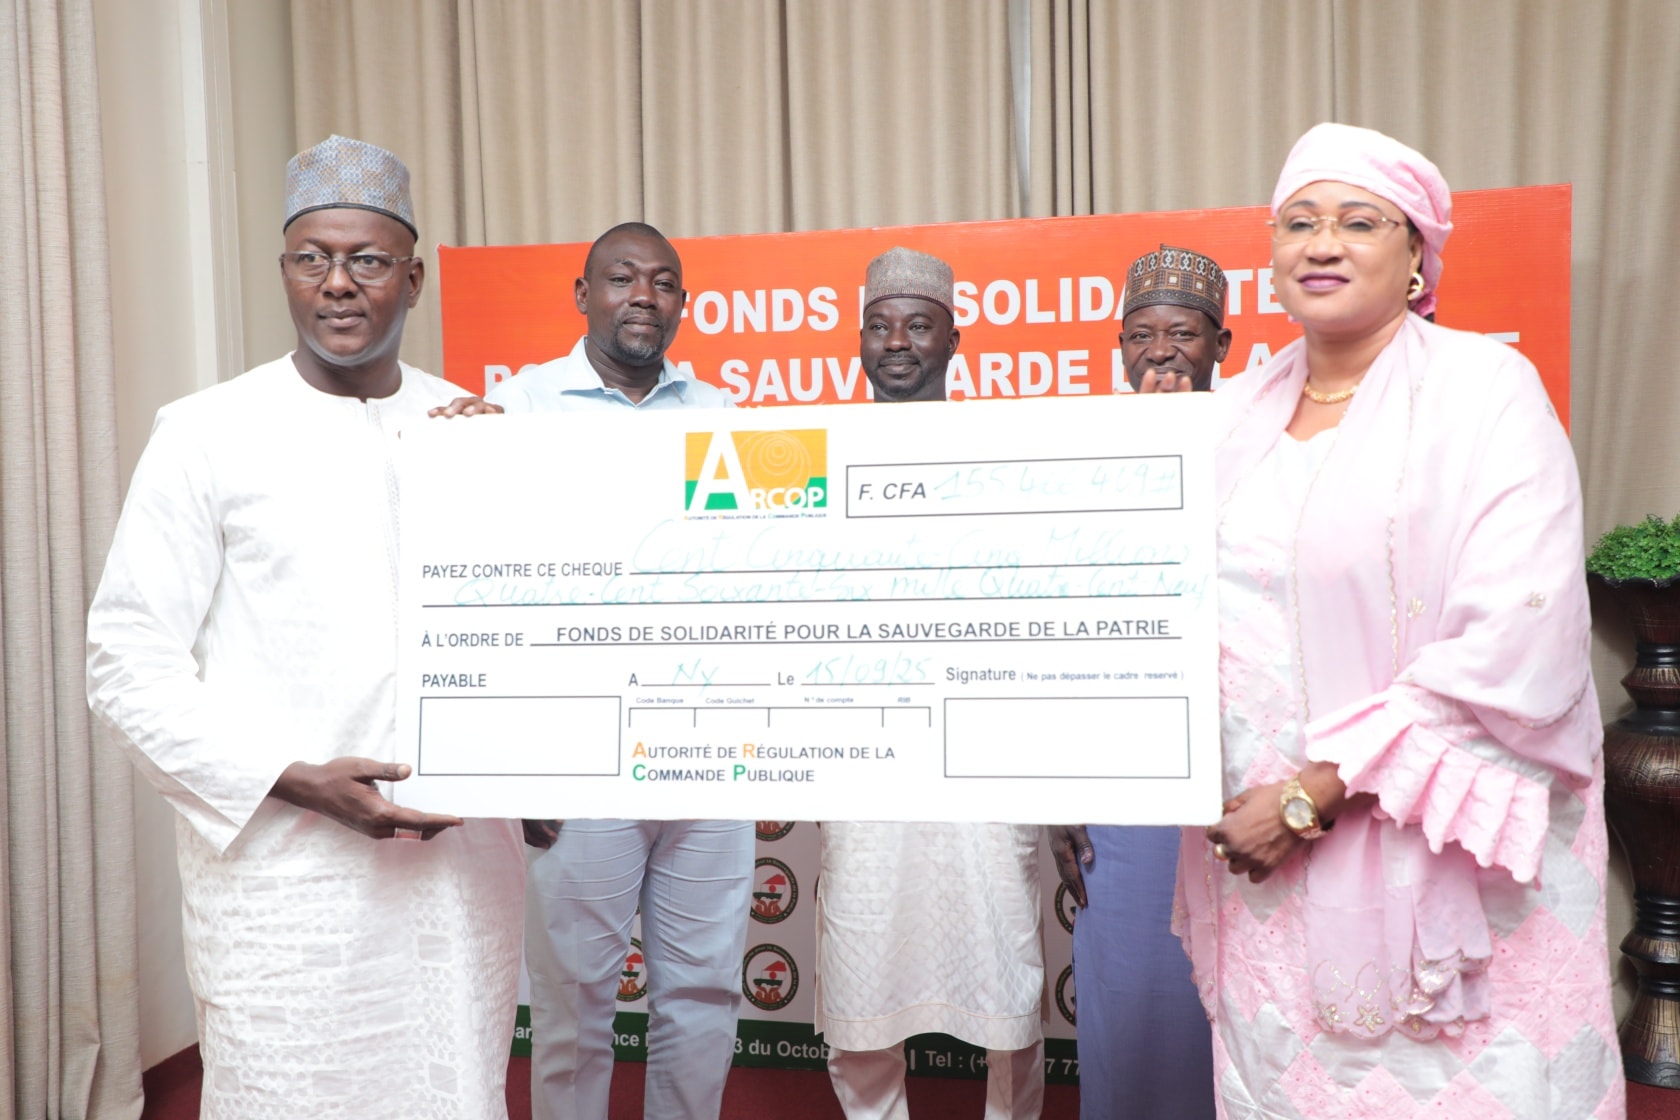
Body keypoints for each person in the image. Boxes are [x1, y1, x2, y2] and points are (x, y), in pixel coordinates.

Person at [1179, 122, 1625, 1117]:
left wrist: (1309, 797)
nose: (1322, 244)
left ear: (1418, 252)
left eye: (1358, 221)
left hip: (1433, 859)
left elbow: (1521, 636)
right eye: (1298, 221)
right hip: (1258, 866)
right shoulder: (1231, 419)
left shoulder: (1485, 395)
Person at [86, 135, 525, 1118]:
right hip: (285, 884)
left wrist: (499, 485)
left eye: (366, 260)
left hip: (458, 880)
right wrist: (295, 779)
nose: (337, 284)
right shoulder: (204, 431)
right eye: (310, 258)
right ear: (284, 272)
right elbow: (125, 660)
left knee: (454, 1090)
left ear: (412, 278)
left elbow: (525, 629)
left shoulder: (477, 426)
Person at [485, 223, 754, 1120]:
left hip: (708, 756)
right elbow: (485, 588)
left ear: (684, 303)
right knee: (572, 1011)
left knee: (705, 997)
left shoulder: (724, 419)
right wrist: (519, 759)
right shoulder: (514, 413)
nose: (644, 294)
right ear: (582, 294)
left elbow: (759, 581)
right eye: (622, 278)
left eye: (664, 282)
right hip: (578, 762)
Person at [816, 247, 1046, 1120]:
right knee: (861, 974)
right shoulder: (821, 455)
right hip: (868, 755)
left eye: (918, 325)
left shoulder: (1006, 454)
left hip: (985, 750)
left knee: (1007, 971)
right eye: (880, 326)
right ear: (860, 342)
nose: (897, 343)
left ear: (955, 338)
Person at [1046, 245, 1227, 1120]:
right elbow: (1050, 629)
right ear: (1118, 348)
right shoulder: (1084, 459)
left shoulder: (1254, 450)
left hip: (1233, 775)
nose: (1161, 352)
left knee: (1225, 1010)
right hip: (1120, 785)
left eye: (1183, 335)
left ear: (1221, 345)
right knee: (1129, 1004)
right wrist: (1055, 789)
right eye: (1142, 335)